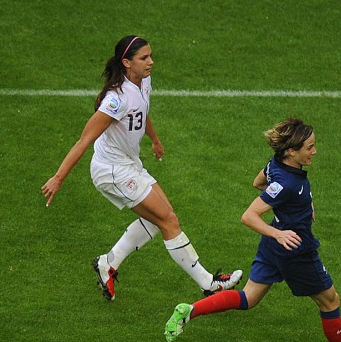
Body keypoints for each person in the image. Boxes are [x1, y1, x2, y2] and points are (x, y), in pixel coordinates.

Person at [164, 117, 341, 342]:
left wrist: (297, 207)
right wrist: (279, 233)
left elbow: (258, 183)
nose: (314, 151)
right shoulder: (289, 183)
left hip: (273, 245)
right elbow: (249, 216)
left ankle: (190, 311)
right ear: (292, 151)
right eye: (309, 147)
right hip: (295, 250)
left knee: (249, 297)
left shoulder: (276, 164)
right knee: (330, 301)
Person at [41, 35, 242, 300]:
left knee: (159, 218)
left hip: (129, 164)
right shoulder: (115, 99)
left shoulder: (144, 81)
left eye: (150, 56)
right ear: (126, 62)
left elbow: (142, 112)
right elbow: (84, 140)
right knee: (168, 220)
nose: (151, 62)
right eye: (143, 58)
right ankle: (208, 284)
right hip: (112, 171)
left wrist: (155, 140)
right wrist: (58, 178)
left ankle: (107, 264)